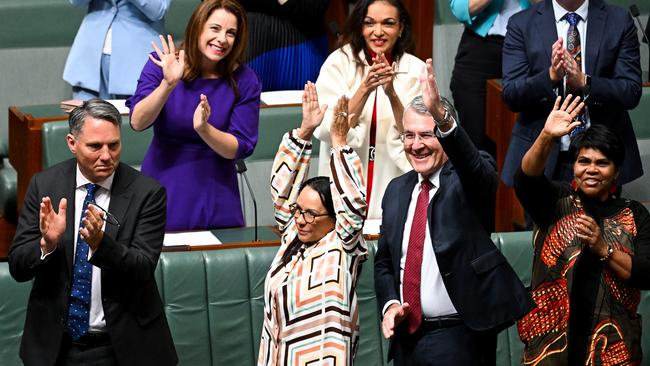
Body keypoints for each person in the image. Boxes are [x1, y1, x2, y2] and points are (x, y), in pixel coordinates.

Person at [374, 59, 533, 365]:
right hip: (406, 339)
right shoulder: (396, 190)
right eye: (409, 135)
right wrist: (390, 305)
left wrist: (442, 118)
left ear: (445, 137)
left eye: (427, 134)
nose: (416, 145)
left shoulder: (466, 177)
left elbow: (481, 176)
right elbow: (384, 263)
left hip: (458, 337)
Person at [8, 99, 177, 366]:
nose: (106, 156)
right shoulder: (45, 185)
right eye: (95, 146)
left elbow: (143, 268)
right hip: (56, 347)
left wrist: (101, 245)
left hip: (121, 346)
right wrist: (46, 244)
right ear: (72, 144)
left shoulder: (147, 193)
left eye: (114, 145)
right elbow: (18, 267)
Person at [514, 95, 650, 365]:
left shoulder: (634, 213)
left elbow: (646, 273)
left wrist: (604, 249)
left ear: (616, 172)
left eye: (602, 163)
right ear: (574, 166)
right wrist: (546, 136)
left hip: (612, 347)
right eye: (583, 161)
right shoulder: (556, 200)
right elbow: (526, 178)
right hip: (550, 349)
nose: (591, 169)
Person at [258, 82, 367, 365]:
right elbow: (282, 190)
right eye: (298, 210)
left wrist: (339, 143)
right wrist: (305, 131)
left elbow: (354, 205)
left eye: (311, 214)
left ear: (333, 218)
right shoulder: (293, 236)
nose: (301, 220)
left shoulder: (343, 243)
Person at [128, 0, 262, 231]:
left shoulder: (245, 79)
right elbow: (138, 122)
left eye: (231, 33)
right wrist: (168, 85)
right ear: (198, 27)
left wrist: (204, 129)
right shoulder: (163, 63)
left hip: (216, 191)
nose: (222, 39)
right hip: (164, 182)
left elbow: (239, 146)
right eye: (215, 28)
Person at [501, 0, 643, 187]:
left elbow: (631, 91)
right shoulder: (521, 23)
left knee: (597, 218)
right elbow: (512, 95)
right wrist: (551, 76)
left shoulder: (618, 20)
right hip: (545, 155)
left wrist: (585, 82)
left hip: (601, 155)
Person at [313, 0, 425, 219]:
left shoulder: (415, 69)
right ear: (360, 27)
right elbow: (328, 129)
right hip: (345, 182)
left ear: (401, 28)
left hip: (394, 179)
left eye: (388, 23)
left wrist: (391, 94)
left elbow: (418, 135)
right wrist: (365, 88)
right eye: (370, 23)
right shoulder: (339, 63)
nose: (378, 32)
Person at [449, 0, 531, 157]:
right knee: (475, 138)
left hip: (528, 46)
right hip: (481, 47)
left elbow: (554, 8)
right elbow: (460, 10)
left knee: (526, 136)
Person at [64, 0, 172, 100]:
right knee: (84, 119)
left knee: (131, 119)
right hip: (90, 64)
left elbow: (158, 9)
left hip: (136, 66)